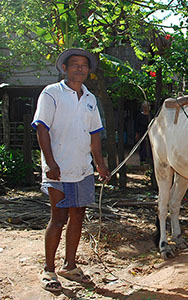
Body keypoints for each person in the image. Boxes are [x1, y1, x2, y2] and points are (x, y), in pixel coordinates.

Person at [31, 48, 110, 292]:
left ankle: (70, 265)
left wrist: (99, 163)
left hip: (82, 169)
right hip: (58, 169)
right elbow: (42, 128)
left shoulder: (89, 99)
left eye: (84, 65)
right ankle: (48, 269)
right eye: (74, 64)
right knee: (58, 218)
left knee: (78, 217)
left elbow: (94, 134)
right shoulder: (51, 93)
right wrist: (51, 163)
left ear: (88, 71)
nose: (80, 68)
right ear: (64, 68)